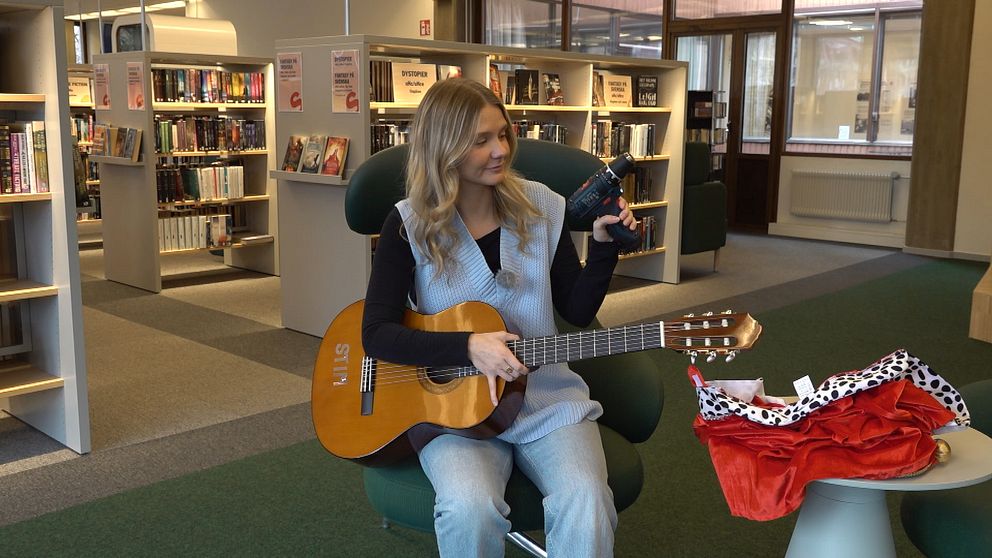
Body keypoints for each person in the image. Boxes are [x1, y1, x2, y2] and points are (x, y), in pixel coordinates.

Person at [361, 77, 636, 558]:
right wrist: (469, 347)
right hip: (452, 412)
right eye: (480, 140)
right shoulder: (409, 225)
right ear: (444, 148)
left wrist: (605, 248)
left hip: (546, 401)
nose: (500, 150)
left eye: (503, 134)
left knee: (587, 497)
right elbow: (376, 334)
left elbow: (575, 310)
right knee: (470, 507)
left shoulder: (541, 207)